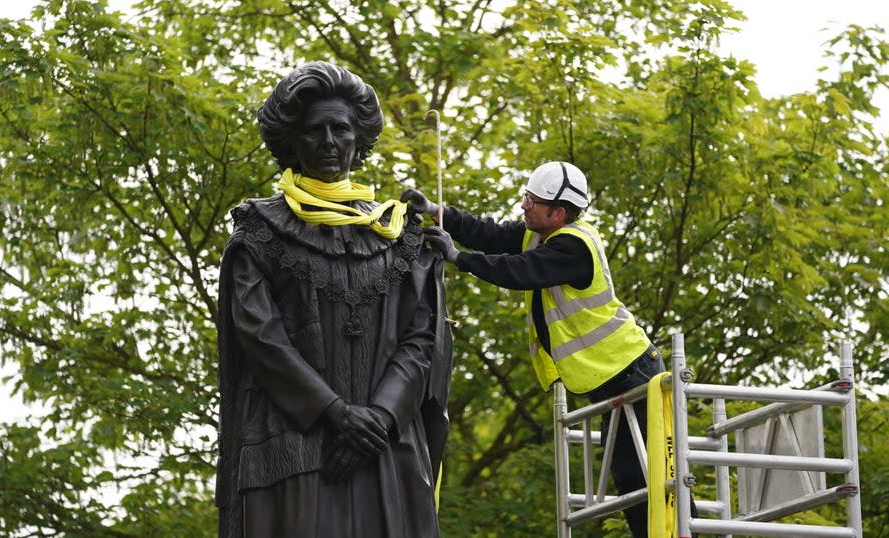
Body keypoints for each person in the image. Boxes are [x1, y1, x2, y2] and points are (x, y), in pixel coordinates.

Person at [216, 62, 451, 537]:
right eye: (313, 130)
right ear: (291, 141)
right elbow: (262, 339)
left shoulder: (397, 234)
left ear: (358, 138)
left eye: (340, 129)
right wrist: (335, 414)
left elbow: (421, 336)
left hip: (387, 448)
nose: (328, 142)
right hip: (293, 447)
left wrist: (380, 418)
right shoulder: (259, 234)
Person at [403, 162, 663, 538]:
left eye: (532, 201)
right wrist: (435, 211)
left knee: (647, 479)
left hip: (633, 370)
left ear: (558, 212)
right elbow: (488, 234)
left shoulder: (575, 245)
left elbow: (519, 272)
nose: (524, 206)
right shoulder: (538, 235)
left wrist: (457, 257)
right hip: (616, 378)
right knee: (630, 478)